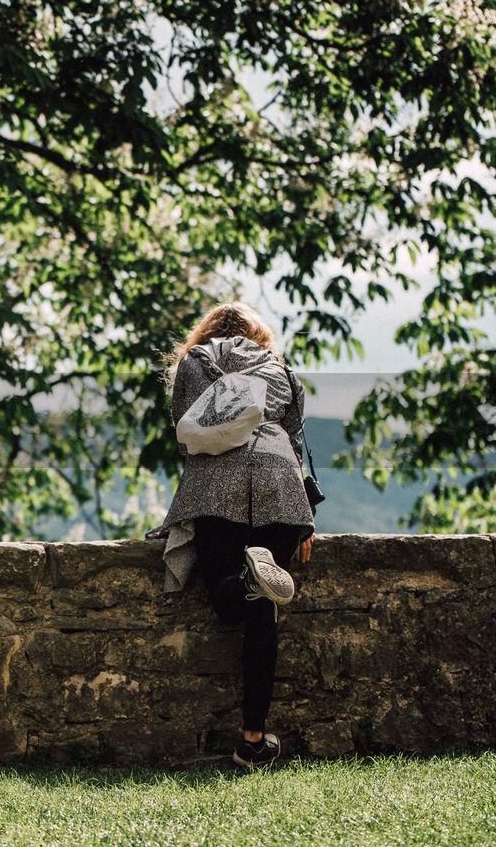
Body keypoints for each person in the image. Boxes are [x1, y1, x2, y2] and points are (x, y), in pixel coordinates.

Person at [152, 300, 315, 769]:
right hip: (280, 487)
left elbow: (188, 432)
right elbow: (294, 441)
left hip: (217, 487)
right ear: (260, 336)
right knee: (265, 608)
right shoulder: (283, 372)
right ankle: (253, 739)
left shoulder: (197, 364)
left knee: (228, 595)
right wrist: (306, 520)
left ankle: (247, 580)